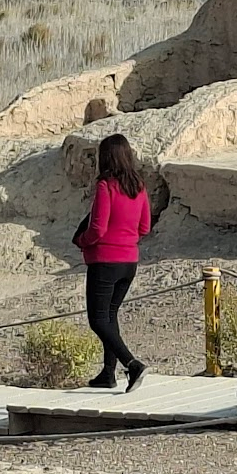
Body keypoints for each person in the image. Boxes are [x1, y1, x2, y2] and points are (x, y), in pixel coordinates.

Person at [75, 134, 152, 393]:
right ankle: (108, 373)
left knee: (97, 320)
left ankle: (132, 365)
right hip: (129, 261)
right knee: (110, 315)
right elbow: (145, 226)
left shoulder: (106, 186)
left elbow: (97, 227)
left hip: (105, 260)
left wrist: (83, 241)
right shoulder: (138, 185)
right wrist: (126, 239)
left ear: (105, 157)